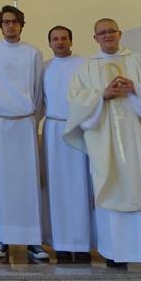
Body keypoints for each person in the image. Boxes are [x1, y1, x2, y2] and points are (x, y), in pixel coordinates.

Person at [64, 18, 141, 271]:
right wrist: (102, 95)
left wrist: (137, 88)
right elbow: (75, 100)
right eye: (102, 33)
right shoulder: (86, 69)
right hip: (106, 144)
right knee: (111, 190)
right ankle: (116, 253)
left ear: (119, 33)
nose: (107, 36)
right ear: (95, 38)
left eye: (111, 31)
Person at [0, 5, 49, 262]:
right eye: (6, 22)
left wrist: (30, 119)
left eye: (15, 21)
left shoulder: (33, 53)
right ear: (0, 26)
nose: (10, 26)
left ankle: (33, 240)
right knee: (0, 183)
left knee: (28, 182)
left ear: (21, 24)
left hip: (24, 123)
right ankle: (2, 238)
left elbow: (38, 92)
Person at [42, 25, 93, 263]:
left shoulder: (85, 65)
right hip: (53, 130)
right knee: (56, 187)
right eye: (55, 39)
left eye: (64, 38)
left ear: (71, 41)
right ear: (50, 43)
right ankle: (60, 244)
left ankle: (82, 245)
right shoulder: (44, 68)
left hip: (78, 129)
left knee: (79, 187)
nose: (60, 42)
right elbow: (39, 100)